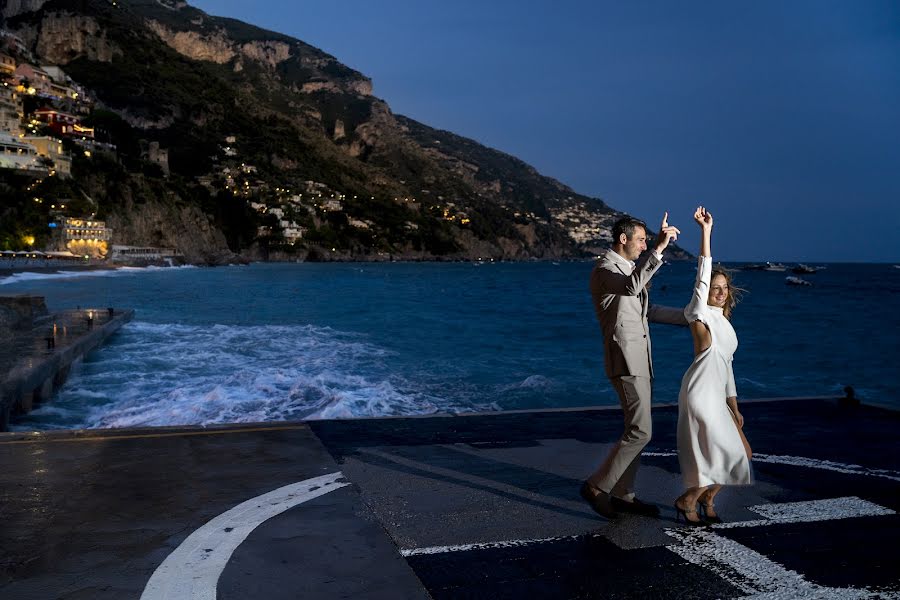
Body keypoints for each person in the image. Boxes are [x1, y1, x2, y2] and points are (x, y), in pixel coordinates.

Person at [581, 213, 687, 518]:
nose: (644, 245)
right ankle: (597, 487)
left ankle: (624, 494)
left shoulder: (628, 270)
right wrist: (659, 249)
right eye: (641, 240)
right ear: (623, 239)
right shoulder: (605, 269)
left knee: (635, 429)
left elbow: (647, 309)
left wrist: (691, 317)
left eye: (646, 241)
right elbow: (630, 288)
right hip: (625, 359)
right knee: (641, 430)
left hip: (641, 358)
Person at [673, 206, 752, 526]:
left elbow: (728, 369)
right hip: (700, 394)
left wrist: (734, 406)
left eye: (724, 288)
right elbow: (702, 273)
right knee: (719, 454)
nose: (719, 292)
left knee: (743, 454)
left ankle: (706, 498)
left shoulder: (725, 323)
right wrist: (706, 232)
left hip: (718, 396)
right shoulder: (698, 312)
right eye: (714, 287)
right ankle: (688, 500)